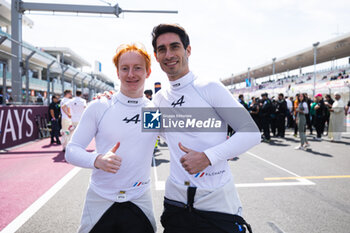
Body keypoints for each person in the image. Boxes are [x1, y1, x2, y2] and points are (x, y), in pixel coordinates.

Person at [152, 24, 260, 233]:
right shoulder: (158, 99)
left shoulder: (208, 86)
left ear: (188, 50)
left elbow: (252, 132)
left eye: (175, 47)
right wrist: (111, 101)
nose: (169, 54)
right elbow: (150, 135)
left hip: (216, 203)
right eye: (162, 49)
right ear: (156, 56)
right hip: (176, 202)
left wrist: (207, 156)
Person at [65, 43, 157, 233]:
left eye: (137, 68)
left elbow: (196, 129)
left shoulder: (153, 111)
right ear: (117, 73)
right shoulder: (100, 106)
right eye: (125, 68)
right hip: (100, 199)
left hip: (139, 198)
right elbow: (72, 150)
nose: (131, 74)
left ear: (148, 72)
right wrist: (97, 160)